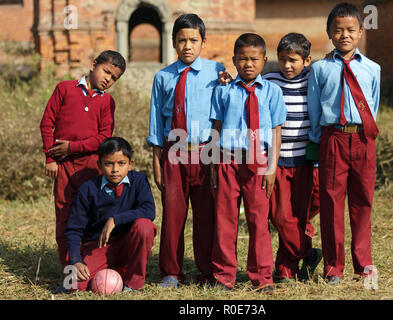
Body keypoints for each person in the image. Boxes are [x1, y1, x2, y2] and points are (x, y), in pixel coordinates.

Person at [146, 13, 225, 288]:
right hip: (173, 152)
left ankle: (206, 271)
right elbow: (156, 122)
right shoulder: (163, 77)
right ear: (173, 42)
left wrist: (217, 157)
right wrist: (156, 163)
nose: (187, 46)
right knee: (173, 214)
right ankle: (171, 272)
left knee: (206, 216)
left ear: (203, 41)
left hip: (205, 152)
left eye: (193, 40)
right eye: (181, 40)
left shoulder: (218, 72)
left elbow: (222, 115)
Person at [307, 2, 381, 285]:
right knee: (331, 203)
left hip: (363, 139)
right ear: (329, 32)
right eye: (338, 30)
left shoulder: (373, 69)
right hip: (332, 139)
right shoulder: (320, 69)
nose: (344, 35)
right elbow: (314, 108)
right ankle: (333, 268)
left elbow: (373, 106)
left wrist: (368, 135)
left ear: (361, 31)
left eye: (351, 30)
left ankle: (363, 265)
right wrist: (317, 143)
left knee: (362, 202)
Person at [39, 50, 126, 290]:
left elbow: (104, 137)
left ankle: (88, 269)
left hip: (91, 169)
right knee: (65, 218)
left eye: (114, 78)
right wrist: (50, 157)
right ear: (93, 64)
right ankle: (68, 278)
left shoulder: (107, 102)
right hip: (64, 168)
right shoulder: (65, 89)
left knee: (90, 218)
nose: (108, 79)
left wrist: (72, 147)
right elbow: (47, 122)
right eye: (106, 71)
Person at [210, 33, 287, 292]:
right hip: (227, 161)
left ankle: (262, 278)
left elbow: (277, 131)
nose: (248, 64)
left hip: (259, 163)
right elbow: (216, 128)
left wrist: (272, 167)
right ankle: (224, 276)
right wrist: (212, 165)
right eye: (242, 59)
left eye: (254, 59)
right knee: (225, 221)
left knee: (258, 221)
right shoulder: (223, 91)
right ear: (234, 60)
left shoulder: (273, 93)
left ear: (265, 60)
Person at [262, 33, 322, 283]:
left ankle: (285, 270)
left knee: (300, 213)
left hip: (305, 162)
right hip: (277, 161)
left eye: (293, 60)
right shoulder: (269, 79)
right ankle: (307, 251)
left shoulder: (314, 80)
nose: (287, 65)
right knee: (278, 215)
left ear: (307, 61)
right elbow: (246, 87)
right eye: (283, 59)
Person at [64, 137, 157, 292]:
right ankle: (115, 269)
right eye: (108, 163)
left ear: (130, 164)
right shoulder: (88, 189)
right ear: (99, 165)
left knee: (145, 226)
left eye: (121, 163)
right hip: (99, 247)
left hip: (129, 244)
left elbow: (149, 211)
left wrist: (115, 219)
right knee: (72, 285)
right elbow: (74, 229)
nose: (115, 169)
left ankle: (133, 284)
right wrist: (75, 261)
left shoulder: (139, 181)